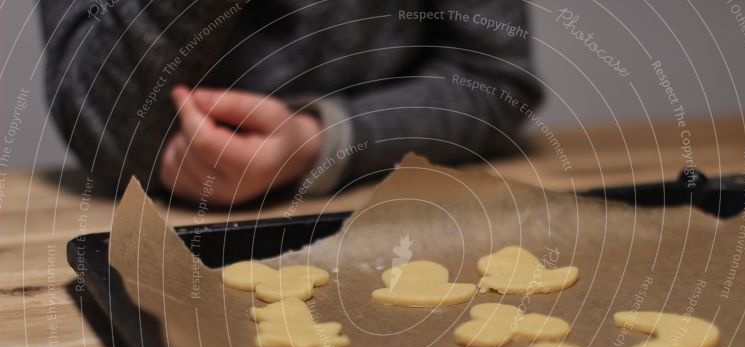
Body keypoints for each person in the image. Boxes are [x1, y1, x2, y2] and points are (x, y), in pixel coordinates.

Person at [41, 1, 540, 206]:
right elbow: (99, 123)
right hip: (150, 231)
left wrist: (319, 138)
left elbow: (496, 81)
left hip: (389, 207)